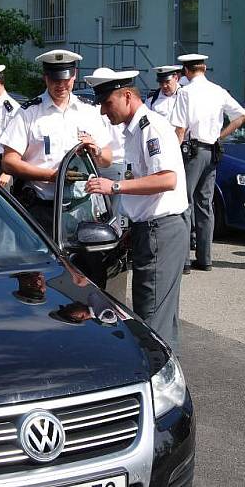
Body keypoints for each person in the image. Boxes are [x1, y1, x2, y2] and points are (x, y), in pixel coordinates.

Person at [84, 67, 187, 353]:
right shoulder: (134, 130)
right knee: (159, 316)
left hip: (160, 230)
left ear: (127, 96)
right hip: (151, 228)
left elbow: (167, 179)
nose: (104, 112)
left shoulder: (150, 128)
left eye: (108, 103)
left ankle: (159, 385)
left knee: (152, 320)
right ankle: (168, 379)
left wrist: (114, 187)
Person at [0, 49, 112, 234]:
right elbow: (9, 162)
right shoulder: (28, 113)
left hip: (83, 207)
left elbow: (108, 157)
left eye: (65, 79)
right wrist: (52, 176)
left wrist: (97, 152)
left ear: (74, 75)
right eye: (55, 80)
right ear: (45, 77)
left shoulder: (89, 110)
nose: (61, 85)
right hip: (42, 207)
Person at [170, 53, 245, 273]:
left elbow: (180, 129)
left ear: (186, 71)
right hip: (212, 150)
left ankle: (184, 260)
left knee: (184, 202)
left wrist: (173, 157)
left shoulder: (185, 93)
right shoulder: (218, 91)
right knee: (205, 204)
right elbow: (242, 116)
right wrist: (220, 136)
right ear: (204, 68)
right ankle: (205, 258)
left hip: (192, 151)